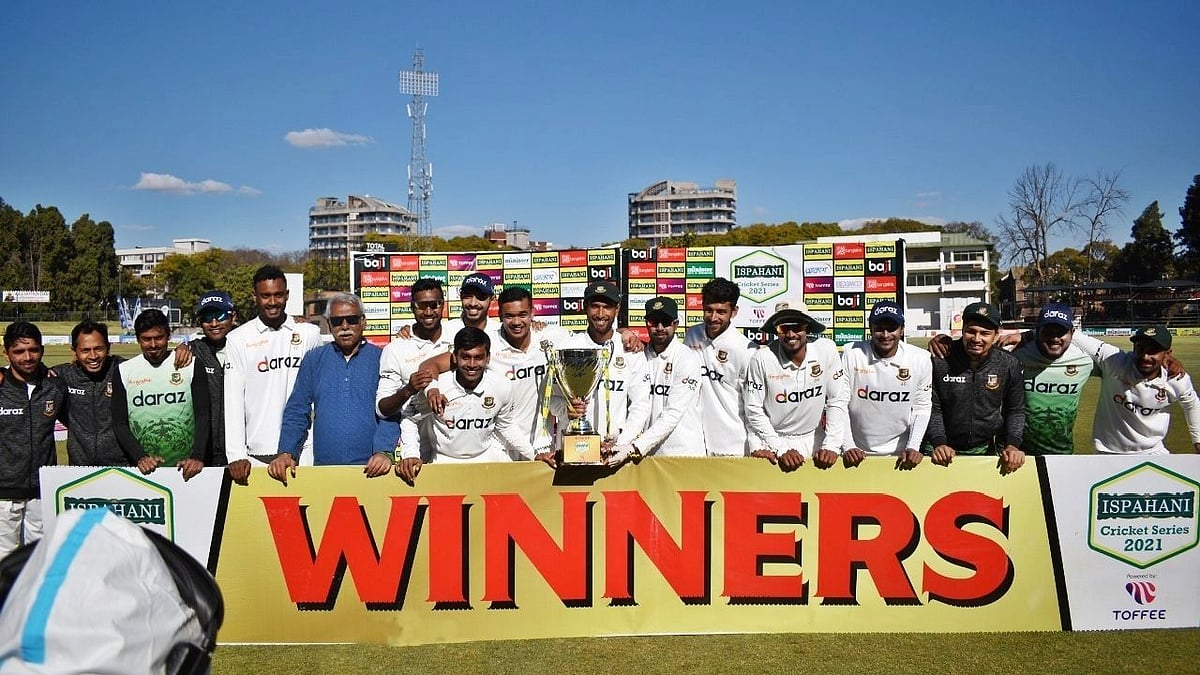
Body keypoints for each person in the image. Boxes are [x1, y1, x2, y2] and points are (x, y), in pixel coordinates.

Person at [423, 286, 571, 464]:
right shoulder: (486, 344)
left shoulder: (550, 338)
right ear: (500, 315)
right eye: (509, 316)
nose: (516, 322)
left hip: (540, 443)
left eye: (522, 315)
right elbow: (430, 365)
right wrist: (432, 388)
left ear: (532, 313)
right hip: (500, 446)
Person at [268, 294, 399, 485]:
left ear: (363, 322)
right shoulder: (314, 359)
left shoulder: (383, 359)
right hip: (325, 471)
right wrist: (287, 452)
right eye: (337, 321)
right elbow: (297, 410)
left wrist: (384, 452)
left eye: (351, 320)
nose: (344, 327)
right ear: (329, 325)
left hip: (373, 470)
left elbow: (390, 411)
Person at [223, 265, 324, 483]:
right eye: (265, 296)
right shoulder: (238, 339)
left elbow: (320, 390)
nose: (272, 302)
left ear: (287, 295)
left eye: (278, 295)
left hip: (304, 448)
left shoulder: (309, 333)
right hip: (258, 451)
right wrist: (236, 454)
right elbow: (232, 400)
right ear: (254, 296)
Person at [396, 327, 537, 482]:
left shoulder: (501, 386)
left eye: (478, 358)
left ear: (488, 358)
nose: (472, 364)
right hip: (444, 462)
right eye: (465, 357)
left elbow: (506, 426)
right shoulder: (437, 387)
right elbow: (409, 417)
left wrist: (534, 456)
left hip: (486, 460)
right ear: (454, 357)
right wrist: (411, 454)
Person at [549, 281, 651, 467]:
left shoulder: (630, 350)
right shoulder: (567, 347)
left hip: (614, 455)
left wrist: (621, 444)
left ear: (617, 309)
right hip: (572, 453)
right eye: (595, 306)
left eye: (607, 307)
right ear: (585, 308)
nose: (601, 313)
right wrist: (566, 410)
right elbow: (551, 398)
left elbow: (641, 405)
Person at [744, 299, 847, 471]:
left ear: (807, 328)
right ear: (776, 331)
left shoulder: (826, 349)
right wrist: (779, 448)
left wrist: (832, 445)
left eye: (797, 327)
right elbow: (753, 409)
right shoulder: (762, 358)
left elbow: (837, 399)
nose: (791, 334)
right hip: (773, 440)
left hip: (814, 438)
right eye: (783, 328)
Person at [826, 300, 931, 469]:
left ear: (902, 329)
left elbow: (922, 408)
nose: (885, 334)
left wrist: (913, 446)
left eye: (892, 328)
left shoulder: (920, 359)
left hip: (901, 454)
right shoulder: (851, 353)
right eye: (879, 328)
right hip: (856, 453)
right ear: (870, 329)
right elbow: (840, 403)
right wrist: (849, 446)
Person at [924, 301, 1026, 473]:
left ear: (996, 334)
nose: (976, 339)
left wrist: (1013, 444)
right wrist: (939, 442)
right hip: (939, 450)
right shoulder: (941, 360)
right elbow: (934, 407)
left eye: (985, 333)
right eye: (971, 331)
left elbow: (1015, 410)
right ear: (962, 330)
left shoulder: (1009, 363)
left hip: (982, 450)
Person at [112, 309, 210, 481]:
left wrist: (197, 456)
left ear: (168, 335)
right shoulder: (124, 371)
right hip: (144, 469)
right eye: (146, 339)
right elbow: (119, 423)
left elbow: (203, 415)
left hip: (188, 467)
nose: (153, 345)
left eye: (159, 338)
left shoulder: (191, 365)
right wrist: (140, 457)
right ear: (137, 338)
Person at [1072, 324, 1200, 454]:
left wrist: (1198, 440)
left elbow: (1192, 404)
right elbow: (1074, 335)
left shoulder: (1177, 379)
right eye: (1140, 349)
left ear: (1167, 354)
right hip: (1108, 452)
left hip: (1153, 452)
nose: (1145, 356)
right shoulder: (1115, 361)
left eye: (1153, 351)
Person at [604, 296, 703, 465]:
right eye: (653, 322)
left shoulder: (687, 358)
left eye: (666, 322)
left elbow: (673, 413)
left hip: (682, 453)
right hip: (645, 456)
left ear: (676, 324)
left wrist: (634, 447)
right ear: (646, 323)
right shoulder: (638, 354)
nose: (660, 328)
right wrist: (624, 331)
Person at [0, 321, 67, 559]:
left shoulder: (55, 386)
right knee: (5, 562)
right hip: (3, 494)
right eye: (19, 351)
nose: (27, 357)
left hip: (42, 491)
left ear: (42, 350)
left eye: (33, 350)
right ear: (6, 353)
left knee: (39, 559)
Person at [683, 277, 761, 457]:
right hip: (695, 441)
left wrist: (757, 443)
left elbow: (753, 405)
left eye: (721, 312)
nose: (713, 318)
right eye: (708, 310)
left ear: (734, 312)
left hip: (732, 445)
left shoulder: (747, 350)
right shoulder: (692, 333)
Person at [376, 278, 453, 429]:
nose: (428, 312)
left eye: (434, 305)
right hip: (416, 433)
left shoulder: (458, 334)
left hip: (457, 431)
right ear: (412, 307)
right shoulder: (395, 349)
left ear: (443, 305)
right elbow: (381, 410)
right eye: (421, 306)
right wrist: (408, 390)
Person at [51, 320, 127, 466]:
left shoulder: (123, 369)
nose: (93, 356)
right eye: (85, 350)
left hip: (122, 466)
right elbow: (29, 371)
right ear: (74, 351)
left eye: (99, 348)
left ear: (108, 347)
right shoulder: (63, 375)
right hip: (80, 468)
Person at [189, 290, 236, 467]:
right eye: (207, 318)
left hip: (240, 452)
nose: (214, 323)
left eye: (220, 316)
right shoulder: (194, 351)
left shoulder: (247, 347)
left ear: (233, 316)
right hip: (203, 453)